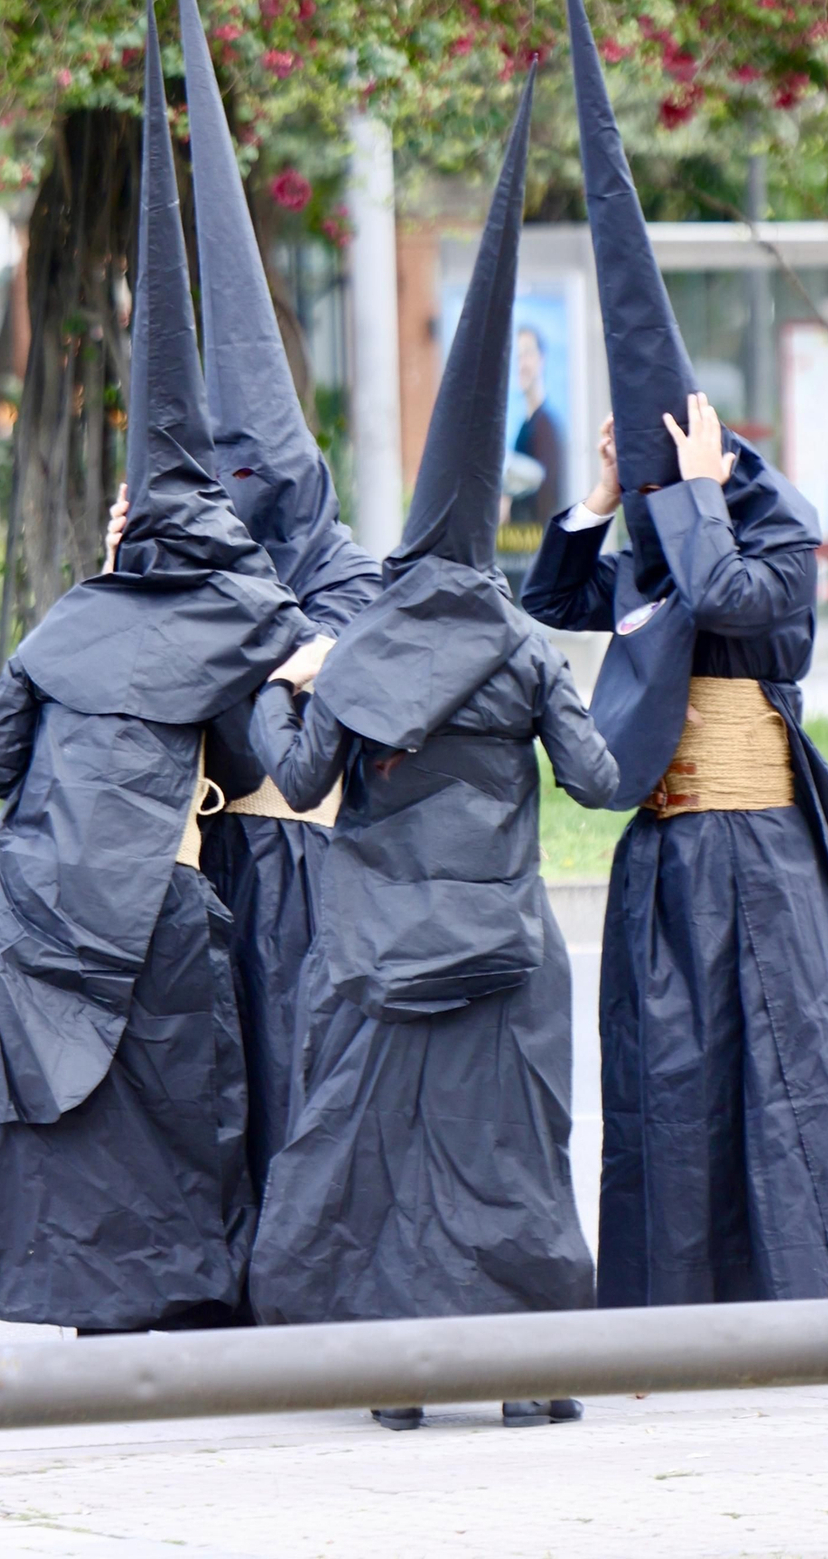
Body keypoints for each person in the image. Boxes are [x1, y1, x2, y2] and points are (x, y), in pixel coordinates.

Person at [521, 0, 828, 1310]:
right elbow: (559, 603)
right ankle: (677, 1302)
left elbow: (745, 609)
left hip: (762, 844)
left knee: (781, 1072)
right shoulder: (654, 519)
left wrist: (688, 500)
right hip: (669, 852)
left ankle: (798, 1293)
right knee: (672, 1085)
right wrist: (603, 497)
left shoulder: (766, 517)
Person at [0, 0, 309, 1333]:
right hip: (153, 907)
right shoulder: (236, 612)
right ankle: (185, 1297)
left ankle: (92, 1305)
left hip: (30, 904)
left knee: (80, 1132)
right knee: (182, 1100)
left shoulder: (68, 617)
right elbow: (289, 686)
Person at [245, 73, 621, 1427]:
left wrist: (284, 687)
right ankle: (532, 1384)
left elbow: (294, 784)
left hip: (374, 948)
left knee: (381, 1156)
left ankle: (399, 1381)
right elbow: (594, 782)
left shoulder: (355, 654)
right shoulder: (520, 648)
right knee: (513, 1153)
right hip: (502, 942)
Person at [174, 0, 381, 1195]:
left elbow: (338, 670)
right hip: (210, 871)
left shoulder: (342, 562)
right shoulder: (189, 560)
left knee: (306, 1084)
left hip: (312, 870)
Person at [509, 324, 565, 528]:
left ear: (542, 359)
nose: (521, 364)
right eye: (517, 357)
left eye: (527, 354)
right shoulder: (526, 424)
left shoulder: (545, 426)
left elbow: (548, 499)